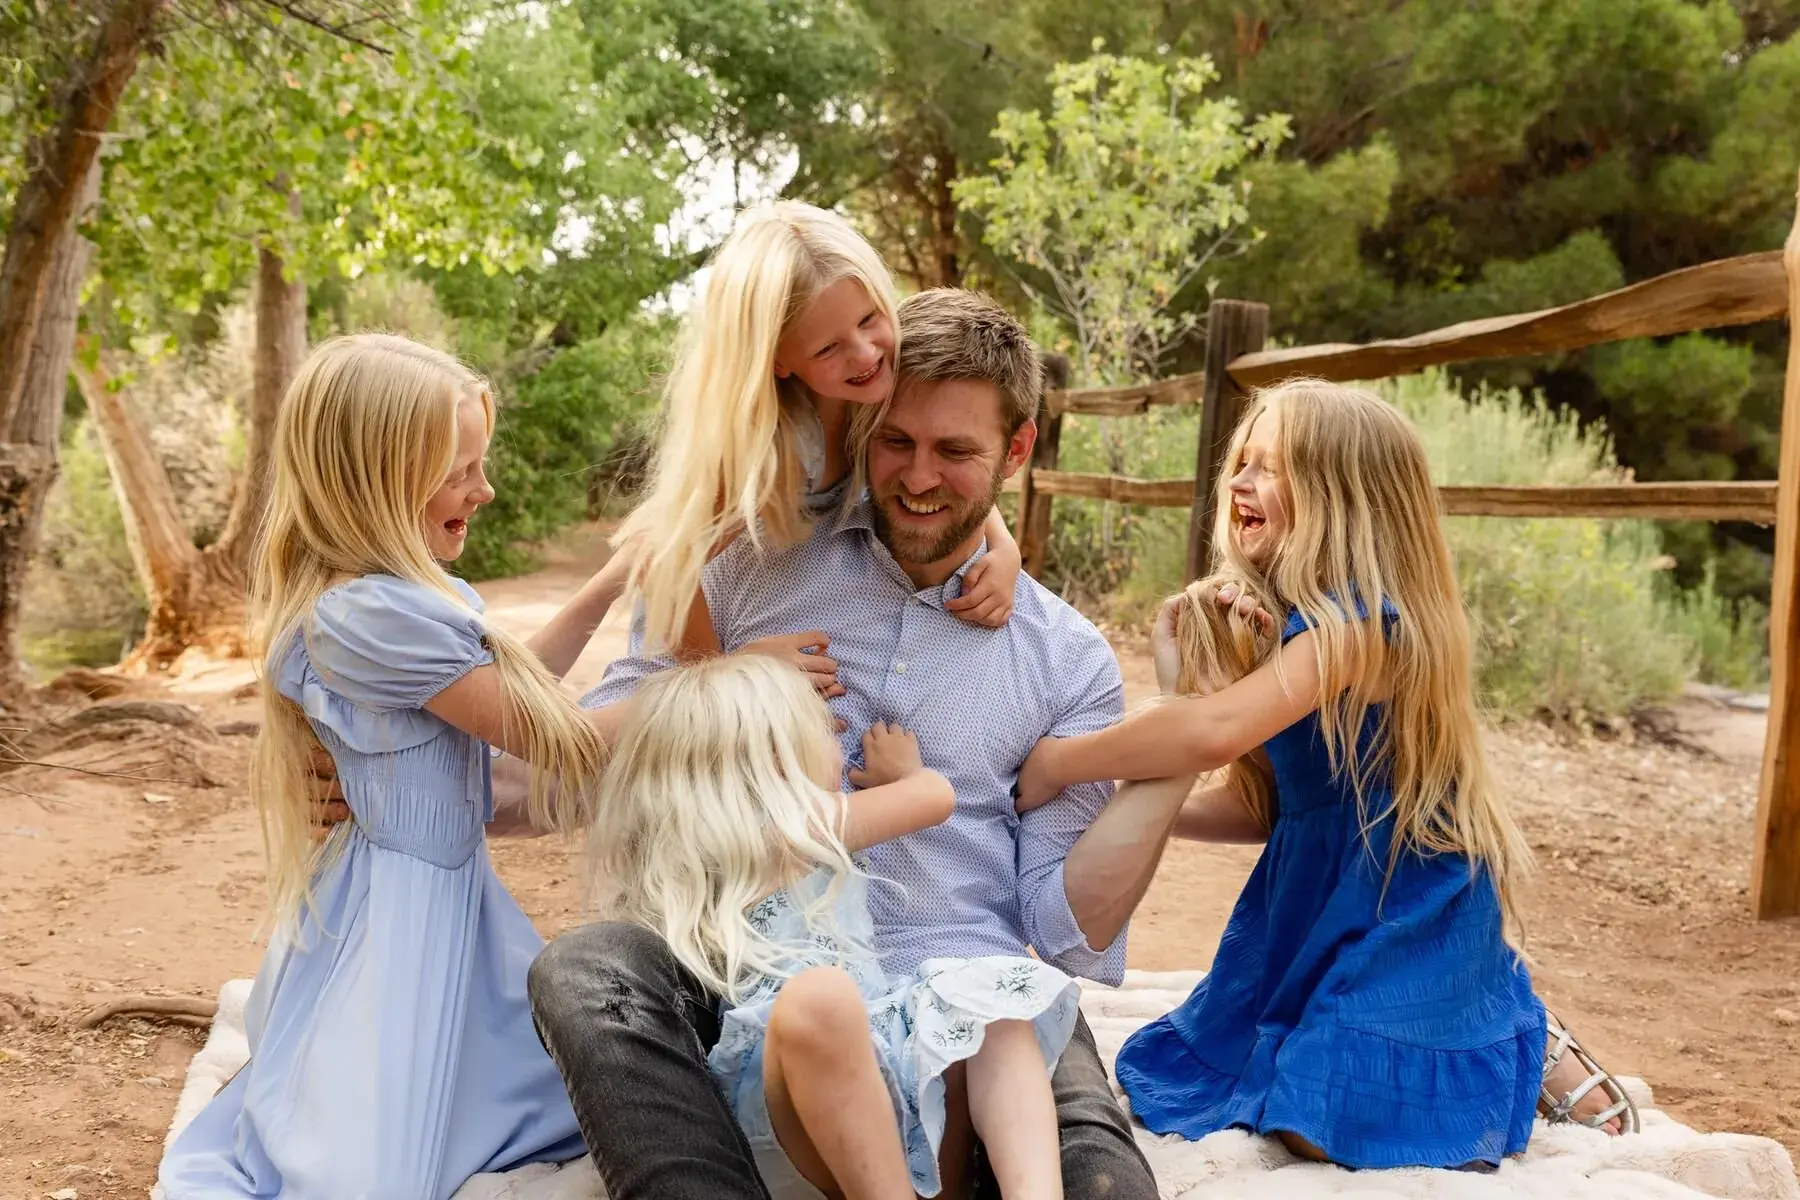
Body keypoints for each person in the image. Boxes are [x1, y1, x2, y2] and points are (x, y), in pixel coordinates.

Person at [526, 288, 1181, 1200]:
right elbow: (615, 742)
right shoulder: (749, 568)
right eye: (896, 442)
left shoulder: (1067, 658)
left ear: (1018, 451)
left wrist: (1175, 749)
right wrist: (728, 672)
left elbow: (1068, 925)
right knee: (586, 968)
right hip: (757, 963)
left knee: (1094, 1158)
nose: (918, 477)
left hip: (966, 977)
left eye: (957, 452)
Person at [1015, 379, 1635, 1170]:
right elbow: (1266, 807)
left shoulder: (1364, 628)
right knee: (1195, 1076)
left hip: (1407, 905)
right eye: (1241, 463)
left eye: (1272, 468)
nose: (1238, 483)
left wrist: (1062, 762)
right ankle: (1468, 1011)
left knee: (1321, 1121)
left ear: (1349, 500)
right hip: (1311, 902)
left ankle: (1511, 1016)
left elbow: (1210, 732)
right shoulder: (1291, 626)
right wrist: (1142, 783)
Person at [160, 334, 635, 1199]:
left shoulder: (400, 600)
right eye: (460, 470)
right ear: (377, 479)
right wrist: (730, 686)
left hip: (449, 894)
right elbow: (553, 733)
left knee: (522, 1093)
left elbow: (513, 684)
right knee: (375, 1161)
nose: (483, 491)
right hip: (401, 918)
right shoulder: (368, 617)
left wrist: (608, 585)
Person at [592, 654, 1081, 1198]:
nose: (837, 745)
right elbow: (935, 798)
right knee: (824, 1000)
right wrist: (904, 774)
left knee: (992, 1006)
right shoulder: (790, 825)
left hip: (874, 1069)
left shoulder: (700, 845)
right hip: (802, 1104)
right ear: (778, 758)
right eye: (823, 728)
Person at [614, 200, 1023, 669]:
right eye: (829, 347)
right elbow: (664, 563)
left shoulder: (876, 385)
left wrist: (1004, 547)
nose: (865, 352)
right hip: (693, 634)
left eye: (870, 319)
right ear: (778, 361)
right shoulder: (772, 450)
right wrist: (723, 668)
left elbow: (945, 457)